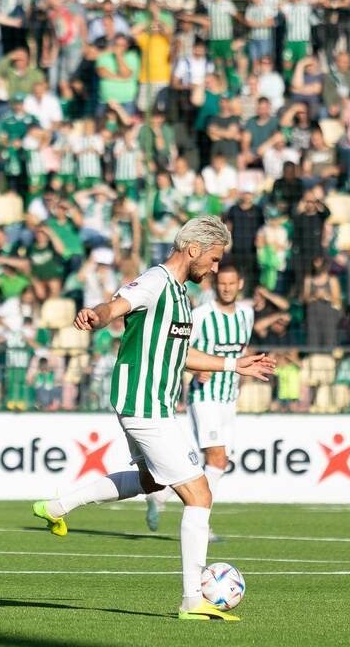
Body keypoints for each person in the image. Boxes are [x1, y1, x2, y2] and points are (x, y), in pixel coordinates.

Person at [31, 216, 275, 620]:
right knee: (199, 494)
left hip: (152, 404)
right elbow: (118, 304)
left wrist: (235, 364)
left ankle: (57, 506)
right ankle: (192, 600)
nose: (215, 269)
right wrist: (98, 314)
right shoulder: (157, 281)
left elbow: (180, 356)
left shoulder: (181, 295)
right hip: (143, 405)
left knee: (151, 481)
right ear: (193, 249)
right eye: (213, 259)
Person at [145, 263, 253, 539]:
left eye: (232, 283)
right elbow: (177, 348)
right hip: (204, 396)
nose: (227, 288)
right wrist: (195, 369)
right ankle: (201, 523)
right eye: (222, 283)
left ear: (240, 284)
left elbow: (241, 349)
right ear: (216, 285)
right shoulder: (202, 315)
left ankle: (162, 495)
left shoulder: (246, 315)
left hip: (230, 397)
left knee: (219, 462)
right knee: (216, 457)